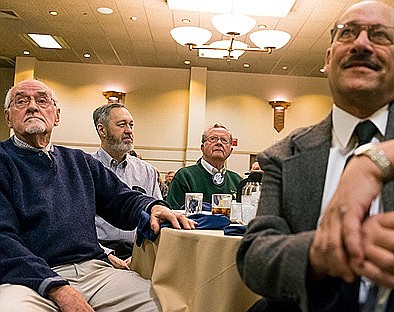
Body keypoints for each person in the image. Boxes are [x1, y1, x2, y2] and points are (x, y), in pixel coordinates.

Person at [236, 1, 394, 311]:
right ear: (328, 59)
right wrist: (324, 252)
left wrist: (374, 162)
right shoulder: (283, 155)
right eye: (347, 34)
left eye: (380, 35)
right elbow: (255, 256)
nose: (361, 44)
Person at [0, 79, 196, 311]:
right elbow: (3, 239)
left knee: (165, 305)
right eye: (21, 101)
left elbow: (120, 199)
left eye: (42, 100)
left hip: (94, 270)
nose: (33, 106)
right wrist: (56, 287)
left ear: (57, 115)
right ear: (8, 118)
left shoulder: (79, 161)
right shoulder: (4, 161)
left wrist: (153, 207)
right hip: (28, 278)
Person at [92, 103, 162, 268]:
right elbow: (76, 226)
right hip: (96, 254)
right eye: (122, 124)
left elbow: (157, 218)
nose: (129, 130)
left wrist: (140, 253)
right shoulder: (85, 169)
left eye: (131, 125)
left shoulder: (146, 171)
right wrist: (105, 254)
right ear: (102, 130)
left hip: (139, 251)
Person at [166, 124, 242, 209]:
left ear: (230, 150)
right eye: (213, 139)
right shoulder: (184, 176)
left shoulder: (237, 180)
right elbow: (173, 212)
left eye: (224, 140)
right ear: (202, 147)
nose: (219, 143)